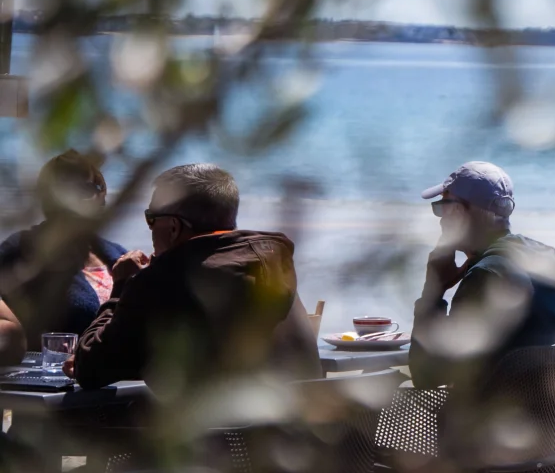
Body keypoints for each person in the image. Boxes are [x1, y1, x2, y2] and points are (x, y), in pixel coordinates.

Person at [68, 163, 320, 391]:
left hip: (219, 438)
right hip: (298, 435)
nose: (150, 227)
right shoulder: (274, 266)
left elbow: (89, 369)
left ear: (174, 227)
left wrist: (122, 285)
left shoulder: (162, 280)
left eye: (151, 219)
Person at [410, 161, 555, 389]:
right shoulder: (545, 268)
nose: (440, 219)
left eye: (442, 207)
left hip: (489, 423)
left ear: (458, 212)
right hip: (546, 423)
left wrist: (433, 291)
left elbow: (426, 377)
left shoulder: (485, 277)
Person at [0, 151, 128, 363]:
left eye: (85, 189)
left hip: (122, 382)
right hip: (56, 385)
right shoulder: (23, 249)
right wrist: (15, 332)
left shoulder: (118, 254)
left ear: (102, 195)